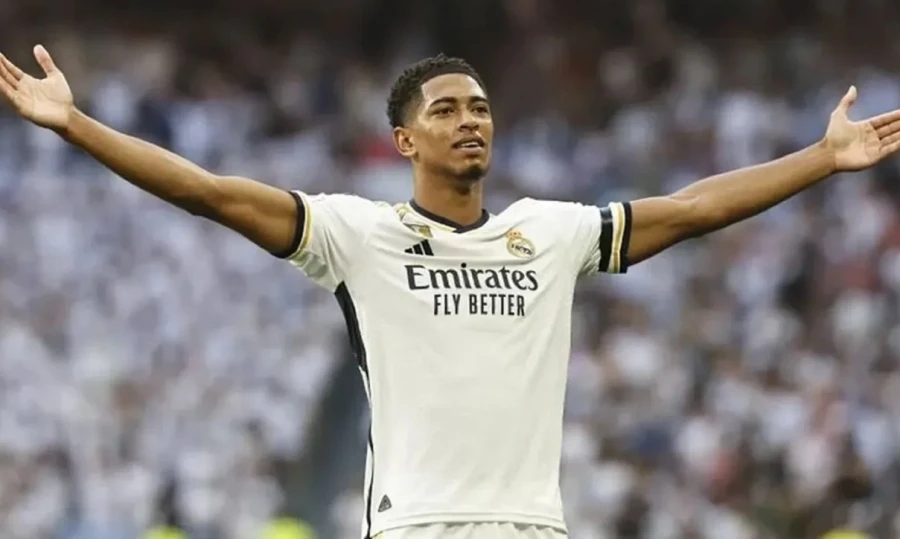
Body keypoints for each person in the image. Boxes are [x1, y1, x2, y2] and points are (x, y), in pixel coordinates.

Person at [1, 46, 900, 539]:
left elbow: (694, 208)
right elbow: (208, 191)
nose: (470, 120)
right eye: (445, 109)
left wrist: (821, 159)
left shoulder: (551, 233)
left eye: (480, 107)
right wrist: (76, 125)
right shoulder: (357, 233)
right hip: (417, 526)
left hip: (533, 526)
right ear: (404, 141)